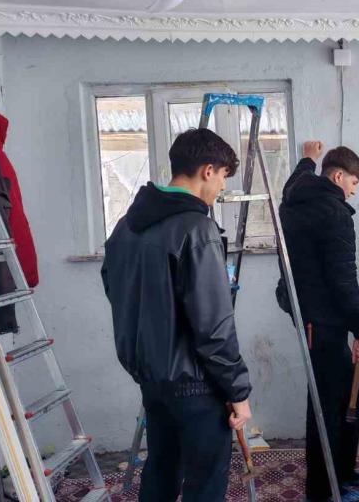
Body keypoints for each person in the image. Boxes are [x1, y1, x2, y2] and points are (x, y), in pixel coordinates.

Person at [101, 128, 252, 502]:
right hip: (195, 384)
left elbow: (115, 289)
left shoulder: (126, 226)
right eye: (222, 176)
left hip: (152, 378)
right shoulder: (197, 229)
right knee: (204, 483)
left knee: (162, 471)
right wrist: (238, 390)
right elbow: (214, 326)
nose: (221, 187)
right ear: (207, 170)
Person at [279, 141, 359, 502]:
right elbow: (343, 280)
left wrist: (307, 157)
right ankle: (322, 492)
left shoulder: (297, 197)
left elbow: (294, 181)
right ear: (337, 177)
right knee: (326, 405)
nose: (353, 191)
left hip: (314, 317)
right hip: (322, 321)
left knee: (353, 391)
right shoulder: (334, 213)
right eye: (353, 182)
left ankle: (344, 471)